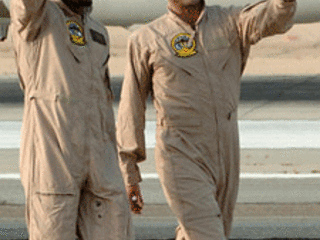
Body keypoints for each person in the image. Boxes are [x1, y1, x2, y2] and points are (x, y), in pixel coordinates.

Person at [117, 0, 296, 239]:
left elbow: (273, 18)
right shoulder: (146, 39)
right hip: (180, 153)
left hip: (226, 151)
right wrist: (128, 171)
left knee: (207, 231)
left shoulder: (231, 22)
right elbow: (131, 106)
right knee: (208, 233)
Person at [10, 0, 133, 239]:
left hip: (101, 165)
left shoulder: (97, 31)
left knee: (116, 229)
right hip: (53, 162)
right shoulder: (38, 19)